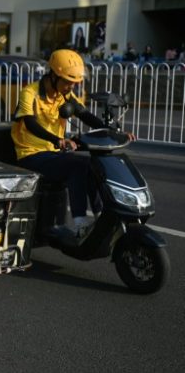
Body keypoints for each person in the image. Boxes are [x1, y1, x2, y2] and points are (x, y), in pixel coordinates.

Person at [11, 49, 135, 237]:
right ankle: (80, 222)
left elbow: (84, 114)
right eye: (68, 82)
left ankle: (100, 214)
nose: (71, 87)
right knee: (79, 165)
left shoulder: (65, 95)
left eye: (74, 83)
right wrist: (57, 139)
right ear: (53, 75)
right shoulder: (30, 92)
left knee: (95, 165)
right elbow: (30, 123)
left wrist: (114, 132)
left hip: (54, 153)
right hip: (31, 154)